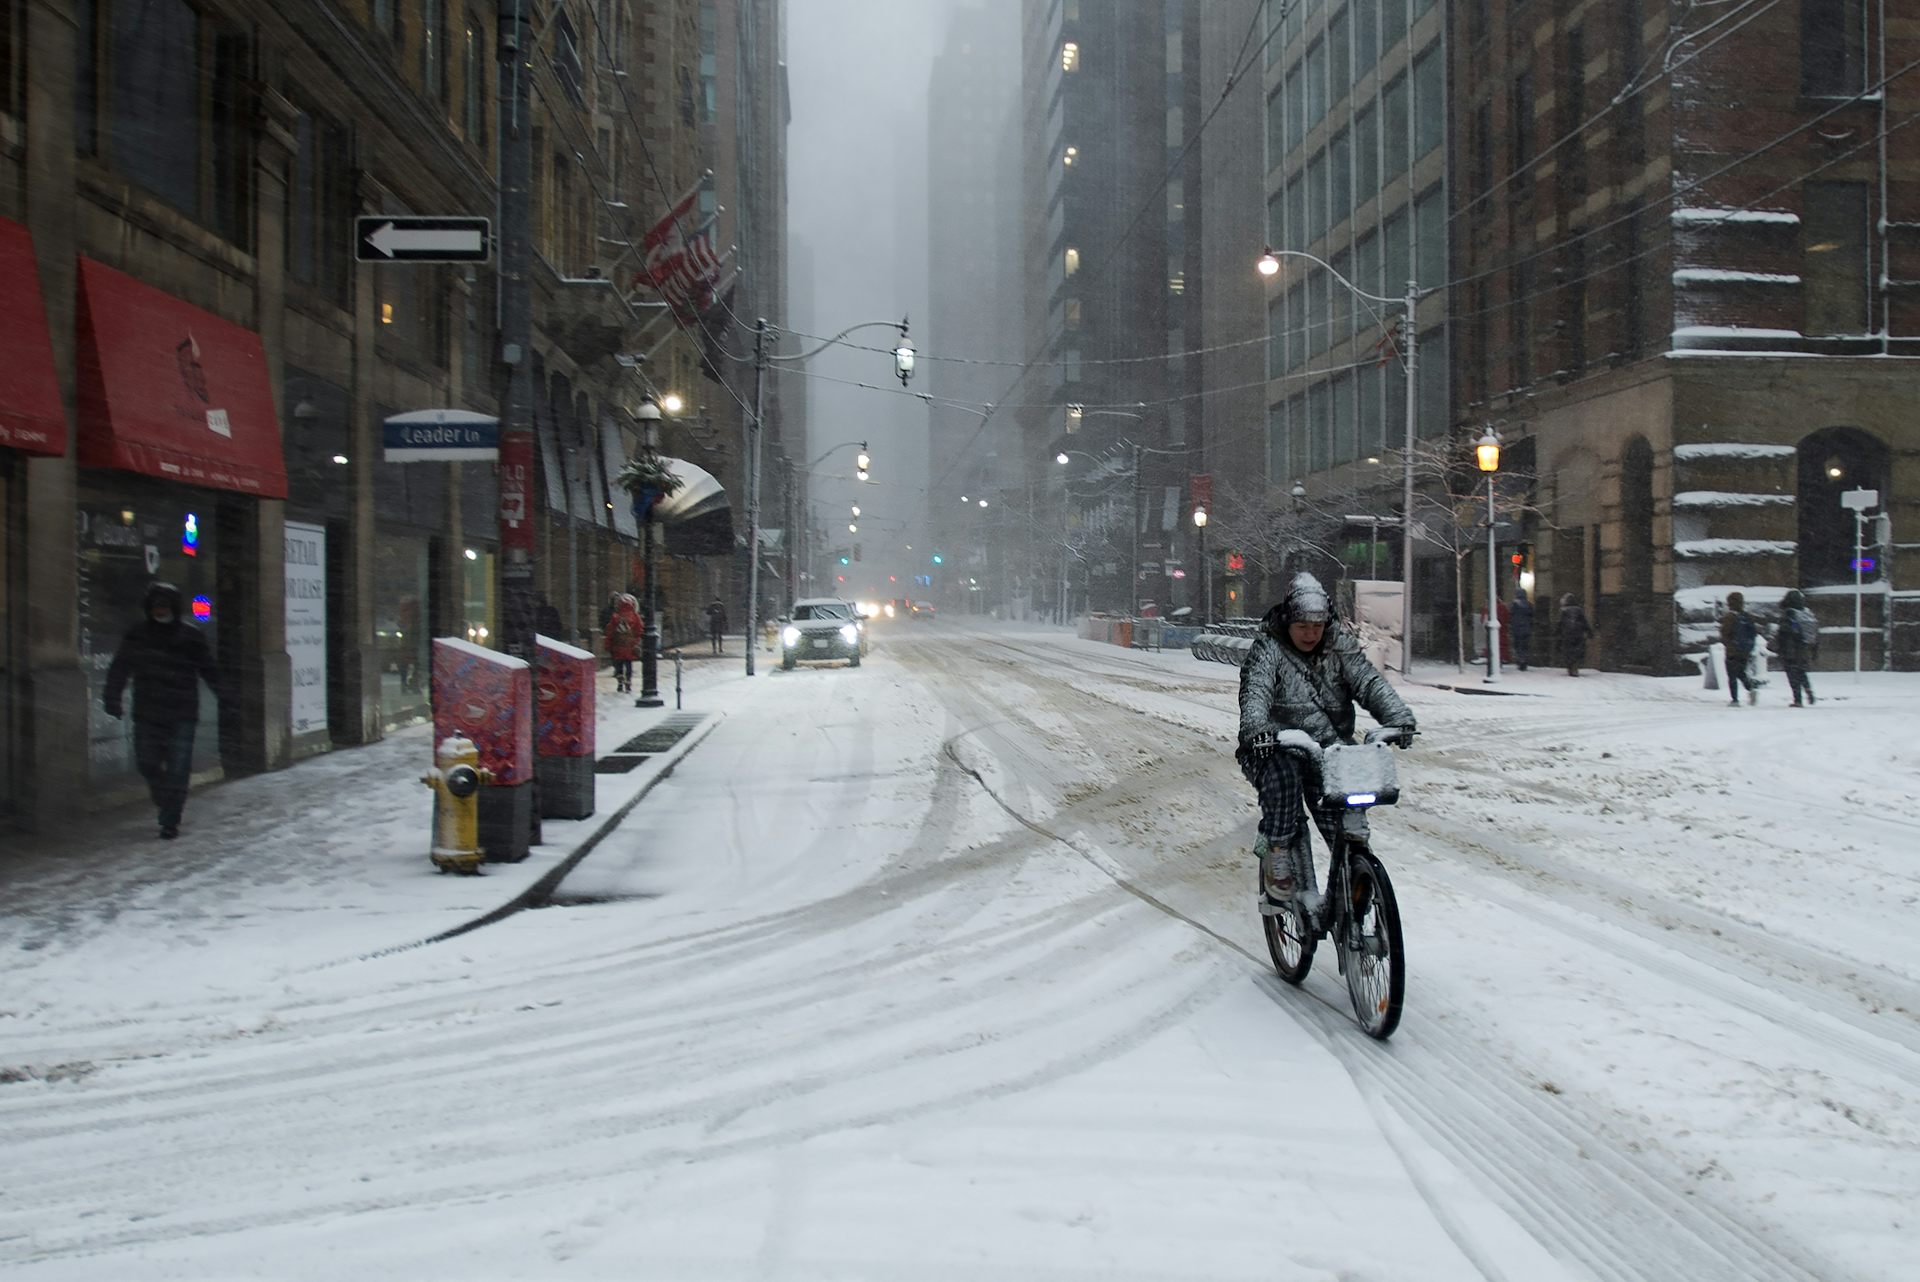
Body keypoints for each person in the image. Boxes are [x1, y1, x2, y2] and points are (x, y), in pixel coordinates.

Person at [1237, 573, 1417, 906]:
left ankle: (1356, 874)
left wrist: (1397, 718)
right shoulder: (1268, 648)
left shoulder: (1339, 645)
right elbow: (1256, 691)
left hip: (1328, 750)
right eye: (1302, 626)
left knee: (1345, 819)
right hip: (1275, 746)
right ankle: (1276, 853)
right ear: (1289, 621)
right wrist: (1257, 728)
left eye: (1317, 627)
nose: (1310, 634)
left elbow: (1367, 681)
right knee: (1285, 783)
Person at [103, 582, 224, 840]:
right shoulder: (138, 635)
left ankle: (170, 819)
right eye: (156, 607)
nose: (160, 611)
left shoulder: (190, 636)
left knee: (179, 769)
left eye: (164, 606)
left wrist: (226, 697)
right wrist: (112, 697)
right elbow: (120, 668)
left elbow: (209, 669)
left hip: (181, 712)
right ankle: (164, 797)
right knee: (148, 763)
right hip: (149, 711)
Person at [1772, 589, 1820, 707]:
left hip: (1791, 649)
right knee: (1801, 672)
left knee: (1792, 675)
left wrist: (1779, 647)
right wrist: (1814, 650)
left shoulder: (1789, 614)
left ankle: (1797, 700)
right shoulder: (1806, 613)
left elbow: (1784, 633)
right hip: (1804, 648)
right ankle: (1809, 692)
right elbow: (1815, 634)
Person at [1719, 590, 1762, 705]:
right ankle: (1751, 689)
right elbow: (1753, 633)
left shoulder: (1730, 617)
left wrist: (1728, 644)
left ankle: (1735, 699)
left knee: (1732, 675)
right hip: (1744, 651)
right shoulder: (1747, 617)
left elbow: (1724, 633)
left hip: (1732, 651)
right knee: (1741, 672)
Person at [606, 593, 641, 693]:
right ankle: (628, 682)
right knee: (629, 664)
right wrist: (636, 641)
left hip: (618, 645)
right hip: (629, 645)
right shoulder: (635, 616)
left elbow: (610, 631)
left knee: (619, 664)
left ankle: (620, 682)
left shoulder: (616, 617)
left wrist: (608, 644)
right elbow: (639, 630)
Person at [1557, 593, 1593, 676]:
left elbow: (1560, 623)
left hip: (1567, 634)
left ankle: (1570, 666)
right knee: (1577, 651)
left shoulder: (1563, 611)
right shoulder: (1579, 610)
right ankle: (1575, 667)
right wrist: (1589, 632)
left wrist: (1557, 632)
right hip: (1578, 634)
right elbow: (1584, 622)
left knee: (1568, 651)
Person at [1510, 589, 1535, 671]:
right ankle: (1524, 660)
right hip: (1527, 629)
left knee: (1518, 645)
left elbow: (1511, 616)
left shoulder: (1515, 605)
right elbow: (1531, 616)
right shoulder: (1529, 605)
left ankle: (1520, 660)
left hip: (1517, 629)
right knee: (1525, 646)